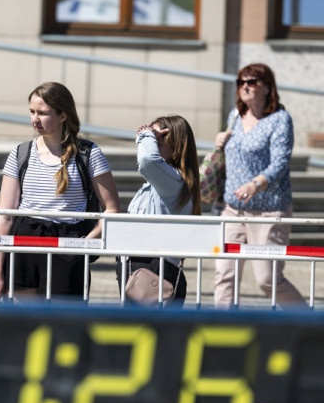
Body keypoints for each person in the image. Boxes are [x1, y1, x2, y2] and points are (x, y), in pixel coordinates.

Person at [0, 82, 120, 302]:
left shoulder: (89, 153)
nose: (35, 119)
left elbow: (112, 209)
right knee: (23, 324)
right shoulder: (21, 153)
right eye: (32, 112)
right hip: (24, 241)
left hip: (68, 244)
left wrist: (86, 243)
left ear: (63, 116)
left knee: (63, 325)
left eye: (43, 113)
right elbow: (5, 216)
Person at [213, 62, 307, 309]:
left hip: (268, 212)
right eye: (241, 82)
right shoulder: (234, 116)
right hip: (233, 210)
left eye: (252, 82)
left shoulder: (279, 120)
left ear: (267, 87)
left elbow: (280, 163)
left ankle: (308, 320)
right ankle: (221, 334)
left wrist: (256, 185)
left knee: (267, 280)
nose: (246, 87)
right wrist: (219, 141)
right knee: (225, 276)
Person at [119, 115, 202, 307]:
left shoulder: (174, 181)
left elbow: (148, 160)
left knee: (147, 332)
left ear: (176, 147)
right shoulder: (163, 183)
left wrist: (146, 135)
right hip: (143, 267)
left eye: (158, 141)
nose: (151, 144)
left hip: (153, 269)